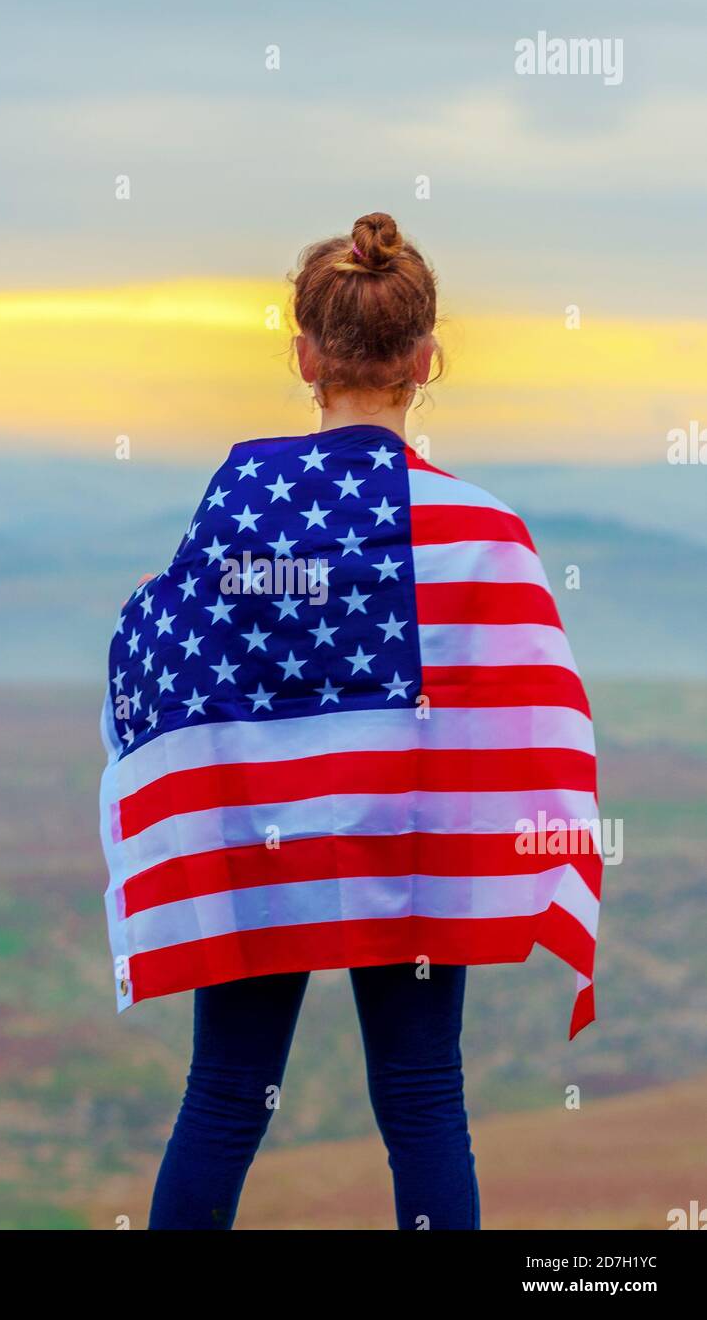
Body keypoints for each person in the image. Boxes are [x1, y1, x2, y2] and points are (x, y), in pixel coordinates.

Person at [100, 212, 600, 1231]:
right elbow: (533, 700)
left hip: (263, 845)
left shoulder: (236, 510)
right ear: (426, 359)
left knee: (225, 1096)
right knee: (422, 1104)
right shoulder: (482, 531)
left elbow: (172, 658)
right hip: (410, 853)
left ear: (303, 357)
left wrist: (144, 604)